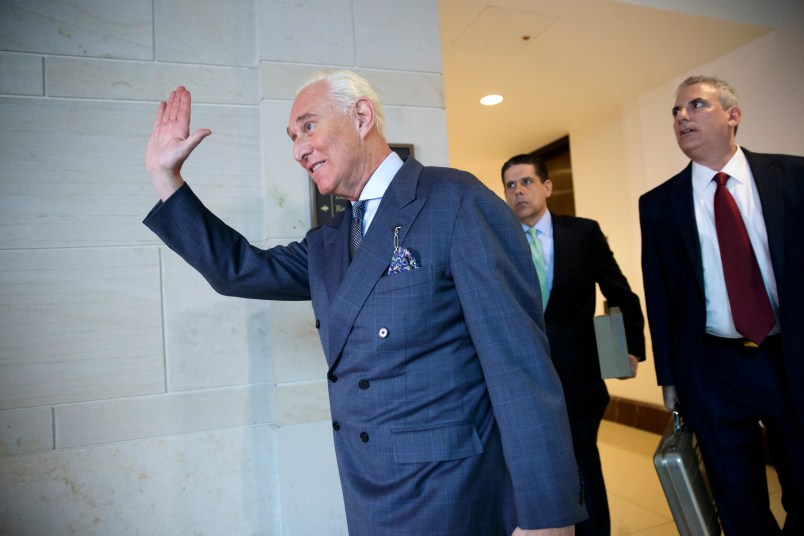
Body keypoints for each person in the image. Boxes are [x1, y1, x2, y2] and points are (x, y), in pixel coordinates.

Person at [143, 70, 587, 536]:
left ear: (361, 116)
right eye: (292, 137)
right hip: (367, 491)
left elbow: (518, 364)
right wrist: (165, 176)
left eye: (308, 127)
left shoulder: (455, 199)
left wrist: (548, 515)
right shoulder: (329, 242)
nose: (298, 148)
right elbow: (238, 269)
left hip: (452, 491)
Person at [639, 75, 804, 535]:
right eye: (675, 111)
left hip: (787, 356)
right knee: (737, 498)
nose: (682, 117)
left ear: (733, 115)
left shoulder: (793, 177)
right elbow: (661, 295)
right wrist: (669, 377)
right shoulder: (658, 205)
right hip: (712, 366)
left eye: (695, 105)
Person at [501, 154, 645, 536]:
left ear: (547, 187)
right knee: (539, 468)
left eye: (526, 182)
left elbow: (619, 292)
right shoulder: (499, 243)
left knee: (583, 461)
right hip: (525, 380)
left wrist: (629, 348)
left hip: (580, 376)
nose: (518, 191)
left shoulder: (583, 233)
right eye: (510, 185)